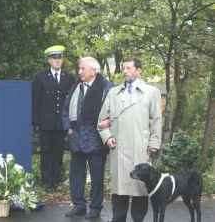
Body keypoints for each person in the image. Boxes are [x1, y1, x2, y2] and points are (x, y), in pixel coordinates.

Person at [98, 58, 162, 222]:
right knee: (119, 190)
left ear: (138, 70)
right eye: (123, 68)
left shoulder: (151, 92)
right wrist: (108, 137)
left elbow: (156, 120)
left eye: (128, 68)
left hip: (141, 149)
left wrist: (154, 144)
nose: (124, 71)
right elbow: (101, 122)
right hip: (118, 149)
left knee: (140, 188)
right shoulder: (113, 93)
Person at [62, 57, 112, 219]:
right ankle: (79, 205)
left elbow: (113, 113)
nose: (79, 72)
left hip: (95, 137)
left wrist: (108, 127)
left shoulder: (106, 87)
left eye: (82, 69)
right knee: (76, 174)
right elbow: (66, 107)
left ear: (94, 70)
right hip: (76, 136)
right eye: (79, 68)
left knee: (97, 176)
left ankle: (95, 207)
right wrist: (68, 127)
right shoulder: (76, 85)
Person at [32, 45, 75, 190]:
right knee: (46, 152)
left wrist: (70, 122)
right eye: (54, 58)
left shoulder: (69, 77)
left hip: (61, 123)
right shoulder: (40, 77)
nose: (57, 61)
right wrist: (36, 123)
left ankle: (56, 180)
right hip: (45, 123)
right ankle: (46, 181)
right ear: (49, 60)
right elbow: (36, 101)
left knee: (58, 152)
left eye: (59, 58)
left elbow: (71, 102)